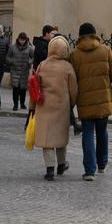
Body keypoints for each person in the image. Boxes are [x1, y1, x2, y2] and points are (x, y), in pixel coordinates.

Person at [69, 22, 112, 181]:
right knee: (102, 131)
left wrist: (70, 104)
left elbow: (71, 82)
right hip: (103, 100)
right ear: (94, 34)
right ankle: (102, 163)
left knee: (87, 133)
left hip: (85, 102)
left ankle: (89, 171)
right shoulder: (105, 50)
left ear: (80, 36)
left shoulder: (74, 55)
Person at [34, 35, 78, 181]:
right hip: (61, 106)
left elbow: (35, 86)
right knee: (60, 137)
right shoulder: (67, 67)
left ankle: (49, 169)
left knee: (46, 138)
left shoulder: (42, 65)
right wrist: (71, 103)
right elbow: (73, 90)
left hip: (44, 105)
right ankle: (61, 164)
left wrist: (32, 107)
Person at [6, 32, 35, 111]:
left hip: (24, 71)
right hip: (15, 70)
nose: (22, 41)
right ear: (18, 39)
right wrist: (12, 61)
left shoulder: (29, 48)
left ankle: (22, 104)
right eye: (20, 39)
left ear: (26, 40)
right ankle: (15, 105)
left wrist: (29, 62)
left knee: (23, 89)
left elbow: (33, 57)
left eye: (23, 40)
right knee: (16, 88)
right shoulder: (12, 47)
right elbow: (7, 57)